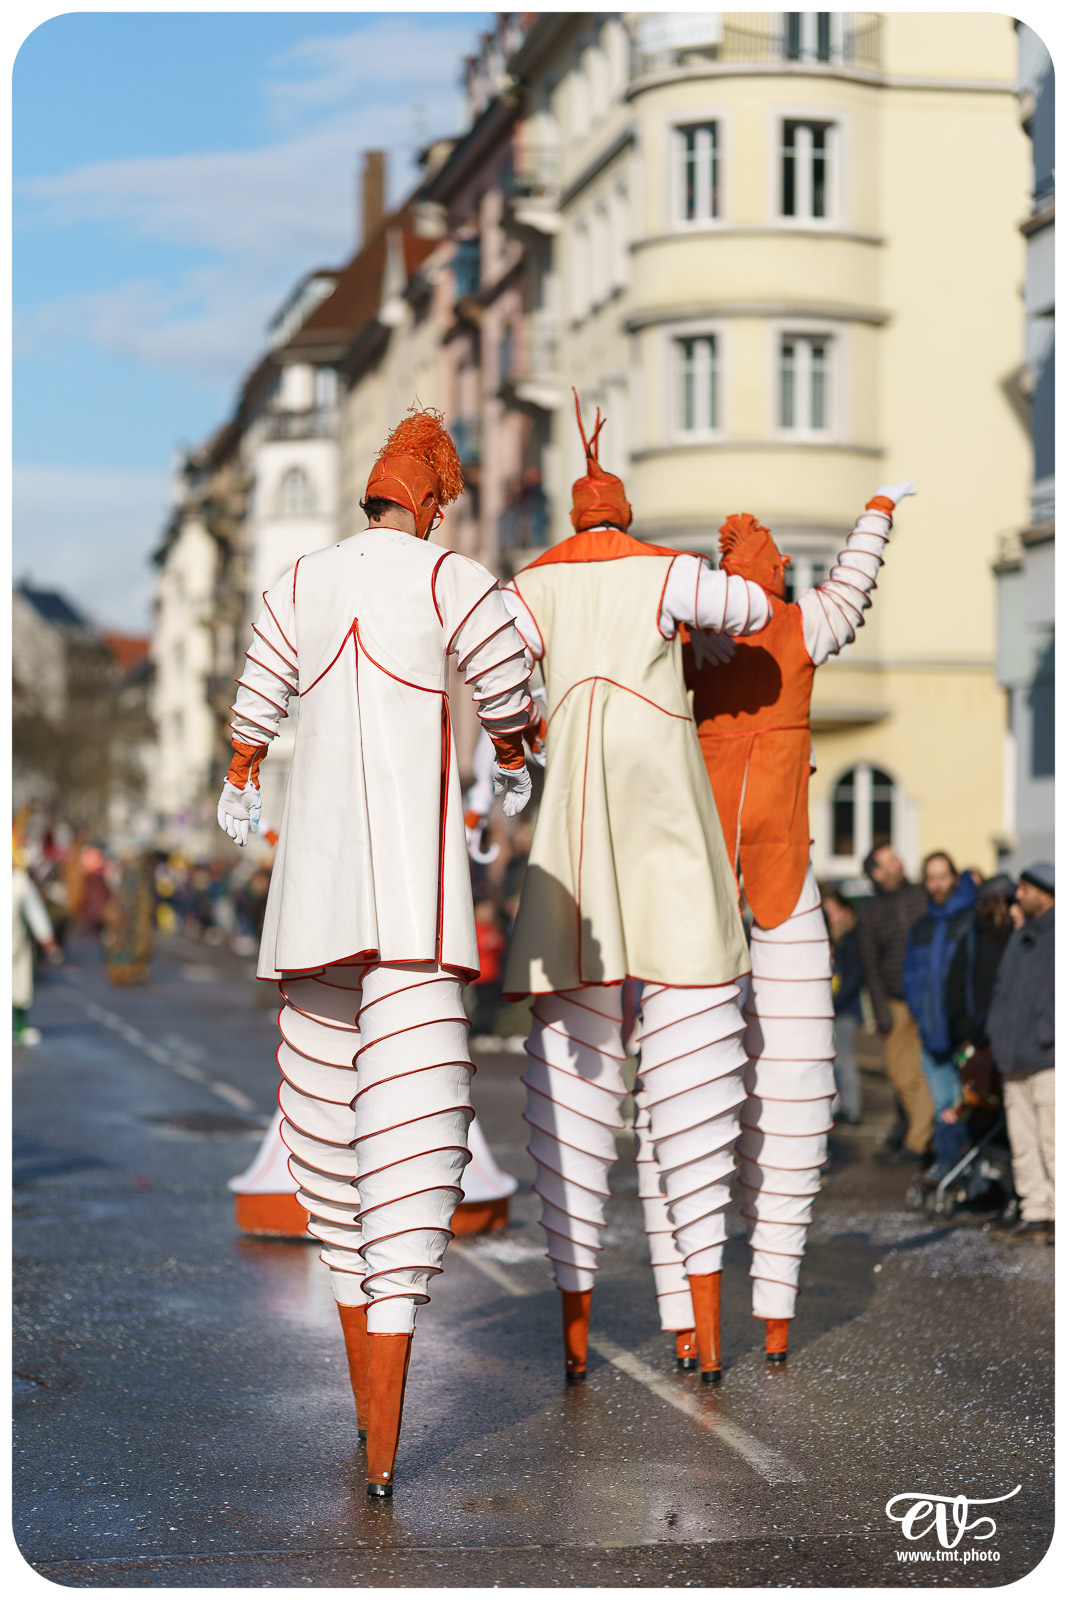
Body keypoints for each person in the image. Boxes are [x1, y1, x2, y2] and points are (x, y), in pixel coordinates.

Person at [216, 406, 536, 1496]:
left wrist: (242, 770)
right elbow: (505, 678)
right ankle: (385, 1437)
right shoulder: (447, 577)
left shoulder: (299, 581)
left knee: (334, 1154)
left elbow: (256, 694)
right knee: (407, 1150)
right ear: (431, 501)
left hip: (314, 900)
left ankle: (375, 1423)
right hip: (411, 901)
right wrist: (512, 753)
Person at [500, 393, 772, 1384]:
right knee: (690, 1051)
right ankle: (701, 1322)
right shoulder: (663, 570)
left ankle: (574, 1326)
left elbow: (488, 660)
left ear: (574, 515)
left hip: (577, 813)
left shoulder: (531, 582)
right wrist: (700, 626)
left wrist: (521, 730)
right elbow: (751, 608)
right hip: (662, 808)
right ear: (622, 512)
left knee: (572, 1064)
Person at [686, 481, 914, 1360]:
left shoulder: (693, 645)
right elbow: (851, 586)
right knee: (792, 1091)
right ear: (772, 574)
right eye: (778, 563)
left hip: (705, 884)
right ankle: (770, 1314)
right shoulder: (794, 624)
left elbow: (622, 606)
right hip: (779, 882)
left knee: (690, 1092)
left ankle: (694, 1322)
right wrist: (877, 510)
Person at [987, 862, 1055, 1244]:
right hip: (1014, 1057)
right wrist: (997, 1033)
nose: (1018, 895)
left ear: (1046, 893)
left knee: (1053, 1140)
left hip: (1048, 1058)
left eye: (1026, 889)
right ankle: (1035, 1213)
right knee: (1023, 1140)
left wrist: (1048, 1033)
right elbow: (1002, 990)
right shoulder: (1020, 936)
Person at [855, 844, 933, 1163]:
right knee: (901, 1075)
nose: (899, 863)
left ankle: (919, 1142)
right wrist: (881, 1010)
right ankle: (923, 1136)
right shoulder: (870, 912)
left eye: (897, 858)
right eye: (890, 861)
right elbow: (870, 966)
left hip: (929, 997)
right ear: (877, 873)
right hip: (895, 1002)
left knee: (928, 1072)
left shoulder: (921, 895)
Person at [902, 853, 978, 1177]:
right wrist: (920, 1014)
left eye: (942, 876)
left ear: (955, 878)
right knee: (943, 1106)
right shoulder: (921, 926)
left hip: (965, 1033)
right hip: (932, 1032)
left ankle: (970, 1171)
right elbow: (910, 976)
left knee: (967, 1105)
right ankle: (949, 1167)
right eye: (931, 878)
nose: (937, 884)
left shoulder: (971, 920)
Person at [822, 887, 865, 1124]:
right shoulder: (834, 938)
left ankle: (853, 1108)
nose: (828, 917)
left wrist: (835, 1001)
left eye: (831, 911)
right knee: (835, 1059)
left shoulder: (851, 939)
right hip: (835, 1008)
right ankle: (840, 1103)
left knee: (844, 1059)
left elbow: (853, 977)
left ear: (845, 911)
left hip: (845, 1010)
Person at [13, 842, 61, 1046]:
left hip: (15, 946)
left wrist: (48, 941)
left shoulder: (20, 883)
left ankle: (20, 1026)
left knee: (19, 988)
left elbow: (35, 912)